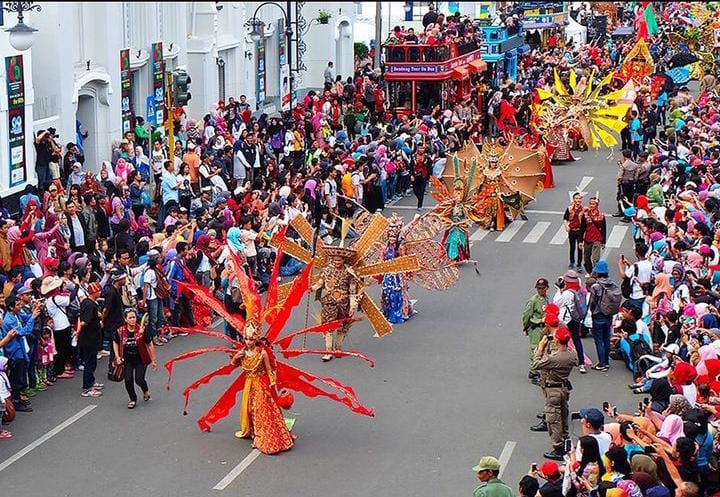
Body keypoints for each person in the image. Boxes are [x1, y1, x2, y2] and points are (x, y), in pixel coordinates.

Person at [230, 319, 293, 454]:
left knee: (261, 410)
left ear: (256, 339)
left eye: (251, 340)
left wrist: (273, 384)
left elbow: (270, 370)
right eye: (246, 339)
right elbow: (233, 364)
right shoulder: (243, 352)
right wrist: (236, 357)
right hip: (249, 384)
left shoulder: (262, 353)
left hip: (261, 384)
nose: (248, 342)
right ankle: (254, 432)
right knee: (249, 409)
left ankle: (263, 436)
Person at [534, 326, 577, 460]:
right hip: (564, 387)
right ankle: (565, 441)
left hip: (553, 389)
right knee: (563, 415)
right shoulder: (572, 355)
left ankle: (558, 447)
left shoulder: (554, 358)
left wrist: (541, 348)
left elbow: (536, 364)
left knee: (553, 420)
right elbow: (574, 357)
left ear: (557, 341)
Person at [310, 247, 360, 362]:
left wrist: (352, 306)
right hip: (329, 302)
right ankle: (328, 351)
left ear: (344, 260)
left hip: (344, 302)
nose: (337, 262)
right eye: (335, 260)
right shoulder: (326, 271)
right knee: (328, 326)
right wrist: (311, 288)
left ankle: (338, 348)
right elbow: (320, 284)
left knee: (342, 326)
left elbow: (353, 291)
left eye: (339, 260)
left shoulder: (349, 273)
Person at [112, 308, 157, 409]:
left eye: (134, 317)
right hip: (127, 360)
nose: (132, 319)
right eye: (130, 318)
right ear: (125, 319)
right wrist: (117, 356)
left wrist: (153, 360)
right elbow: (115, 342)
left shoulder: (142, 330)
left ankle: (145, 390)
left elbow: (149, 344)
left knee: (139, 379)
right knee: (128, 380)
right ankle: (133, 399)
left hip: (140, 359)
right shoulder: (120, 331)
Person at [588, 260, 621, 371]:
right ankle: (606, 361)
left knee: (598, 340)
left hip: (598, 315)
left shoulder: (596, 286)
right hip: (609, 314)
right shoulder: (612, 284)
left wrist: (592, 311)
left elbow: (592, 302)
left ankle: (602, 363)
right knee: (606, 338)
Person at [77, 282, 103, 397]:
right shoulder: (89, 305)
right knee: (89, 363)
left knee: (92, 362)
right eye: (98, 290)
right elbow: (84, 322)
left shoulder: (89, 303)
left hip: (92, 338)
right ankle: (87, 388)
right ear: (94, 292)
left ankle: (91, 382)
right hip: (89, 339)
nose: (100, 292)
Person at [522, 278, 549, 384]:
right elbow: (526, 315)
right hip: (536, 327)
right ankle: (534, 373)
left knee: (542, 349)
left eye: (542, 288)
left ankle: (535, 370)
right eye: (538, 288)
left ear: (547, 288)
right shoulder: (533, 300)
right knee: (536, 349)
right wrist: (525, 327)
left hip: (543, 327)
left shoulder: (546, 298)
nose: (540, 290)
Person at [580, 195, 606, 274]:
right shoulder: (585, 215)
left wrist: (603, 242)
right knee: (586, 258)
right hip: (587, 239)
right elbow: (582, 228)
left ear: (597, 205)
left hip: (597, 239)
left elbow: (604, 229)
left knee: (596, 259)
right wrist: (580, 241)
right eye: (590, 204)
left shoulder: (601, 216)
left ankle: (595, 274)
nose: (591, 205)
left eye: (593, 204)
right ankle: (589, 271)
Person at [563, 191, 585, 271]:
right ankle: (572, 262)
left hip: (580, 231)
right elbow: (565, 218)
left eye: (579, 198)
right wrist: (566, 226)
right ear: (573, 199)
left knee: (580, 248)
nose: (578, 200)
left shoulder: (584, 210)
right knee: (572, 247)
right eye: (576, 198)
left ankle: (579, 264)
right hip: (572, 231)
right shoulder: (569, 209)